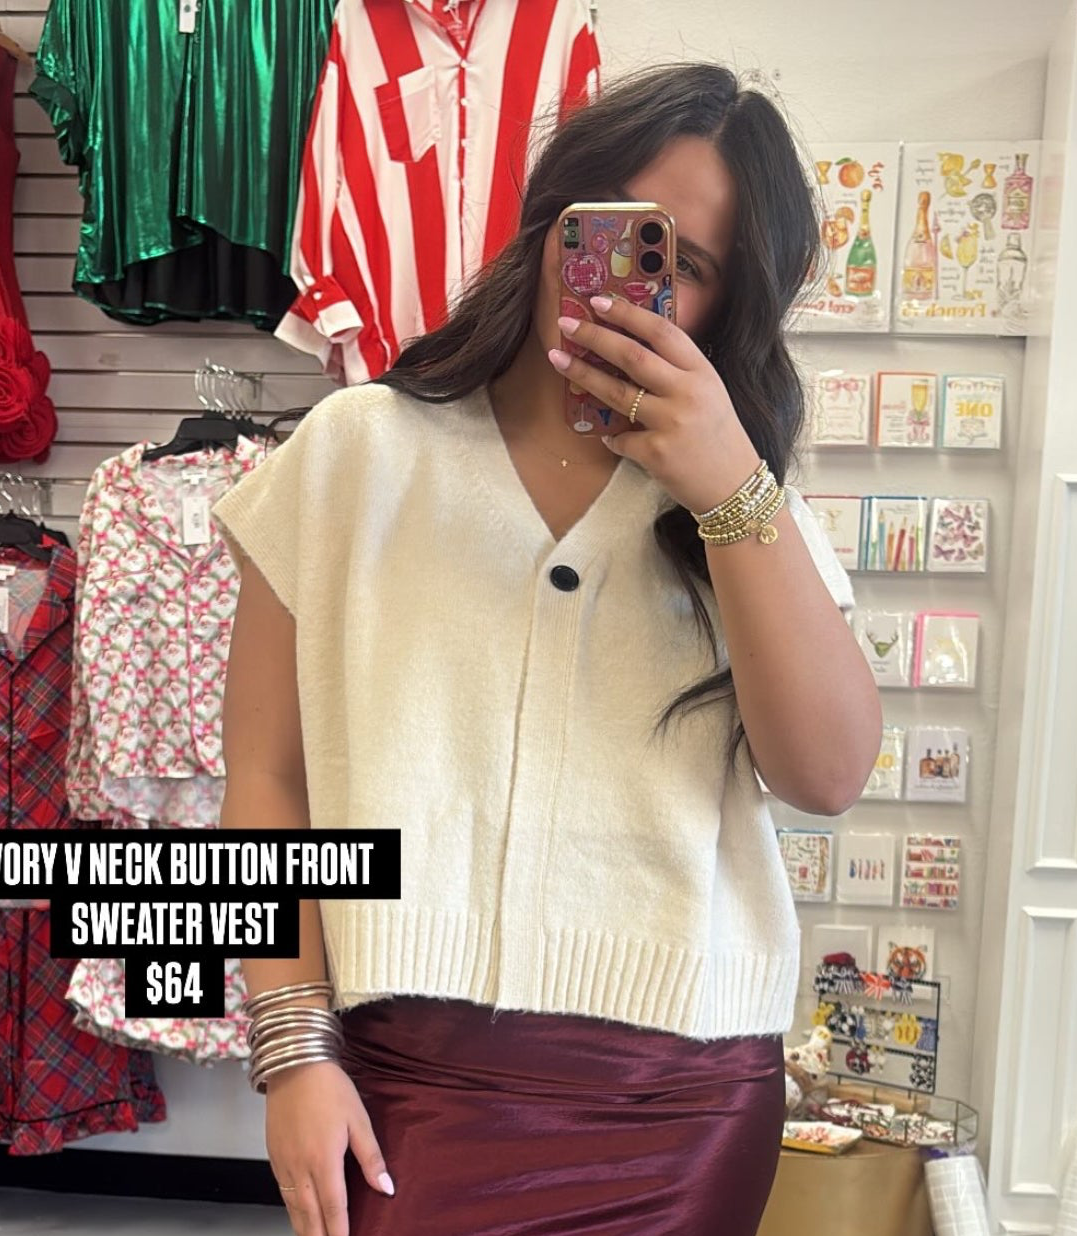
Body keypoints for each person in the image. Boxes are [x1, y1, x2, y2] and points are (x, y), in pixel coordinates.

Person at [213, 61, 882, 1236]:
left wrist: (729, 490)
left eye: (688, 264)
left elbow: (826, 774)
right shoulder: (355, 454)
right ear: (550, 219)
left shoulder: (744, 508)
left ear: (730, 306)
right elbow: (267, 779)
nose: (628, 280)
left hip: (682, 1099)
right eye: (613, 228)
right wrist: (292, 1049)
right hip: (406, 1071)